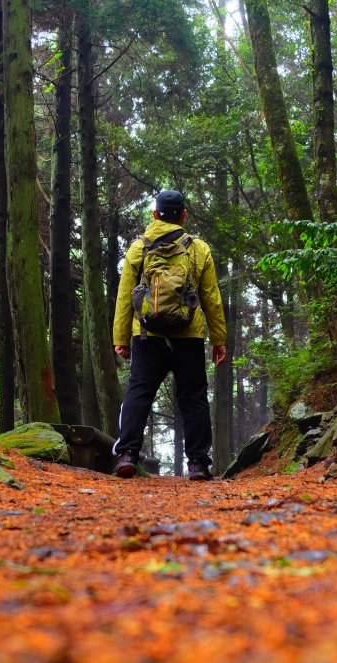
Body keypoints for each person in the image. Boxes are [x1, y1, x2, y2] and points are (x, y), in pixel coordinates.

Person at [110, 189, 227, 481]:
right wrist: (219, 339)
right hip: (189, 334)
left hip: (147, 334)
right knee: (194, 397)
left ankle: (127, 454)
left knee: (139, 391)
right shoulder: (198, 248)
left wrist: (121, 337)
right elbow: (211, 296)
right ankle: (198, 463)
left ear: (155, 214)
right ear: (183, 215)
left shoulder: (139, 247)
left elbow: (125, 296)